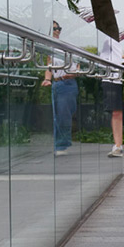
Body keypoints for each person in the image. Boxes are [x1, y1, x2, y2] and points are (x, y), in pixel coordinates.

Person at [42, 21, 78, 156]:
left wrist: (72, 74)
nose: (57, 31)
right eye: (54, 29)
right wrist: (47, 79)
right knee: (57, 116)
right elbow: (49, 66)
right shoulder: (50, 48)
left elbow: (78, 66)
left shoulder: (66, 46)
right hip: (57, 84)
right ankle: (60, 144)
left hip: (67, 83)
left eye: (59, 29)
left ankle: (62, 145)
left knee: (64, 116)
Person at [99, 25, 124, 158]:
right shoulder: (102, 36)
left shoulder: (113, 38)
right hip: (108, 77)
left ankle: (118, 145)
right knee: (114, 112)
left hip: (116, 78)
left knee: (117, 112)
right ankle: (117, 144)